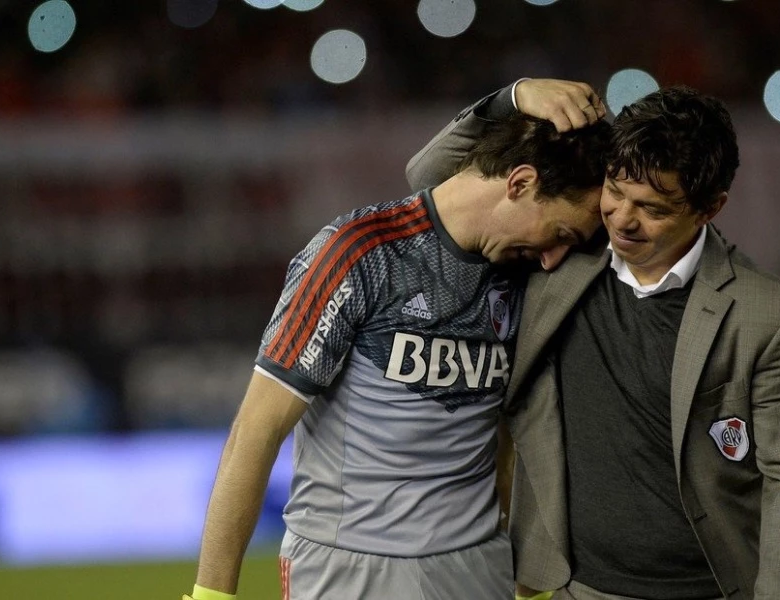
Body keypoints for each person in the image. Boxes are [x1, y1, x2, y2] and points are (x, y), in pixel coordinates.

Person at [407, 78, 780, 600]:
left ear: (711, 207)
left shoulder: (769, 315)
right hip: (576, 589)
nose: (623, 220)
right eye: (615, 191)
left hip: (710, 591)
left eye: (654, 208)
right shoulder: (558, 252)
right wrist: (511, 99)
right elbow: (432, 182)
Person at [183, 111, 612, 600]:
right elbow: (256, 430)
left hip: (478, 568)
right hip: (350, 571)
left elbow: (508, 441)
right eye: (559, 233)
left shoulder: (522, 276)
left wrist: (526, 582)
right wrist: (211, 596)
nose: (554, 258)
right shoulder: (358, 254)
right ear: (520, 182)